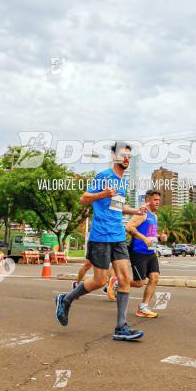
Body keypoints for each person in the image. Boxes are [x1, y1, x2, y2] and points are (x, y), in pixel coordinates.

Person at [55, 142, 146, 341]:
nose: (126, 158)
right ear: (114, 156)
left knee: (123, 279)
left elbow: (116, 206)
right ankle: (66, 299)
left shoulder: (122, 182)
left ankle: (121, 327)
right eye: (123, 154)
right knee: (100, 280)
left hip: (118, 235)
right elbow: (84, 198)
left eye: (129, 155)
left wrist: (135, 211)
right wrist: (102, 194)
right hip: (101, 235)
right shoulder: (104, 176)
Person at [125, 189, 167, 317]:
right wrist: (143, 239)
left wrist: (160, 237)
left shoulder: (154, 216)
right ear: (147, 200)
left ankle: (143, 307)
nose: (158, 202)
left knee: (154, 278)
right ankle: (117, 283)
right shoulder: (142, 213)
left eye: (159, 200)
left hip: (150, 252)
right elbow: (129, 227)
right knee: (139, 283)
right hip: (138, 252)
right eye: (155, 200)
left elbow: (151, 234)